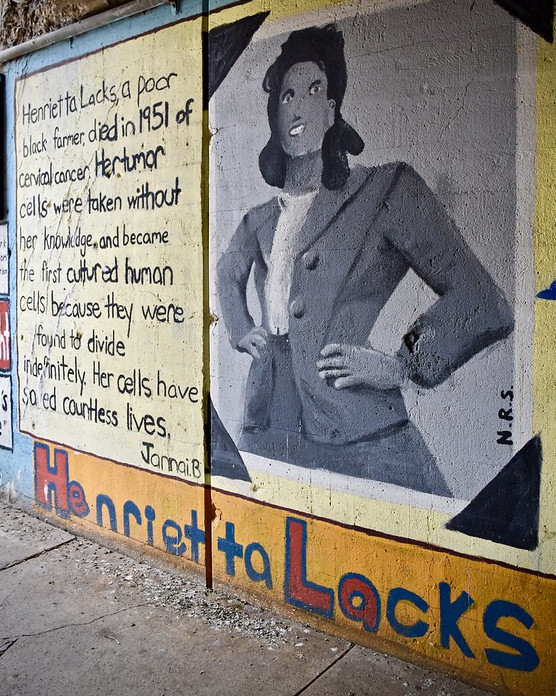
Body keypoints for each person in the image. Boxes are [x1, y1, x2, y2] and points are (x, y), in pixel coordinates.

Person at [216, 24, 513, 496]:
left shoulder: (386, 190)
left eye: (316, 90)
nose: (300, 106)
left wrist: (400, 365)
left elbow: (483, 300)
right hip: (268, 423)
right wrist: (239, 329)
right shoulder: (258, 219)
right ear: (273, 114)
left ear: (333, 111)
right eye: (288, 94)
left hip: (357, 430)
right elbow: (228, 272)